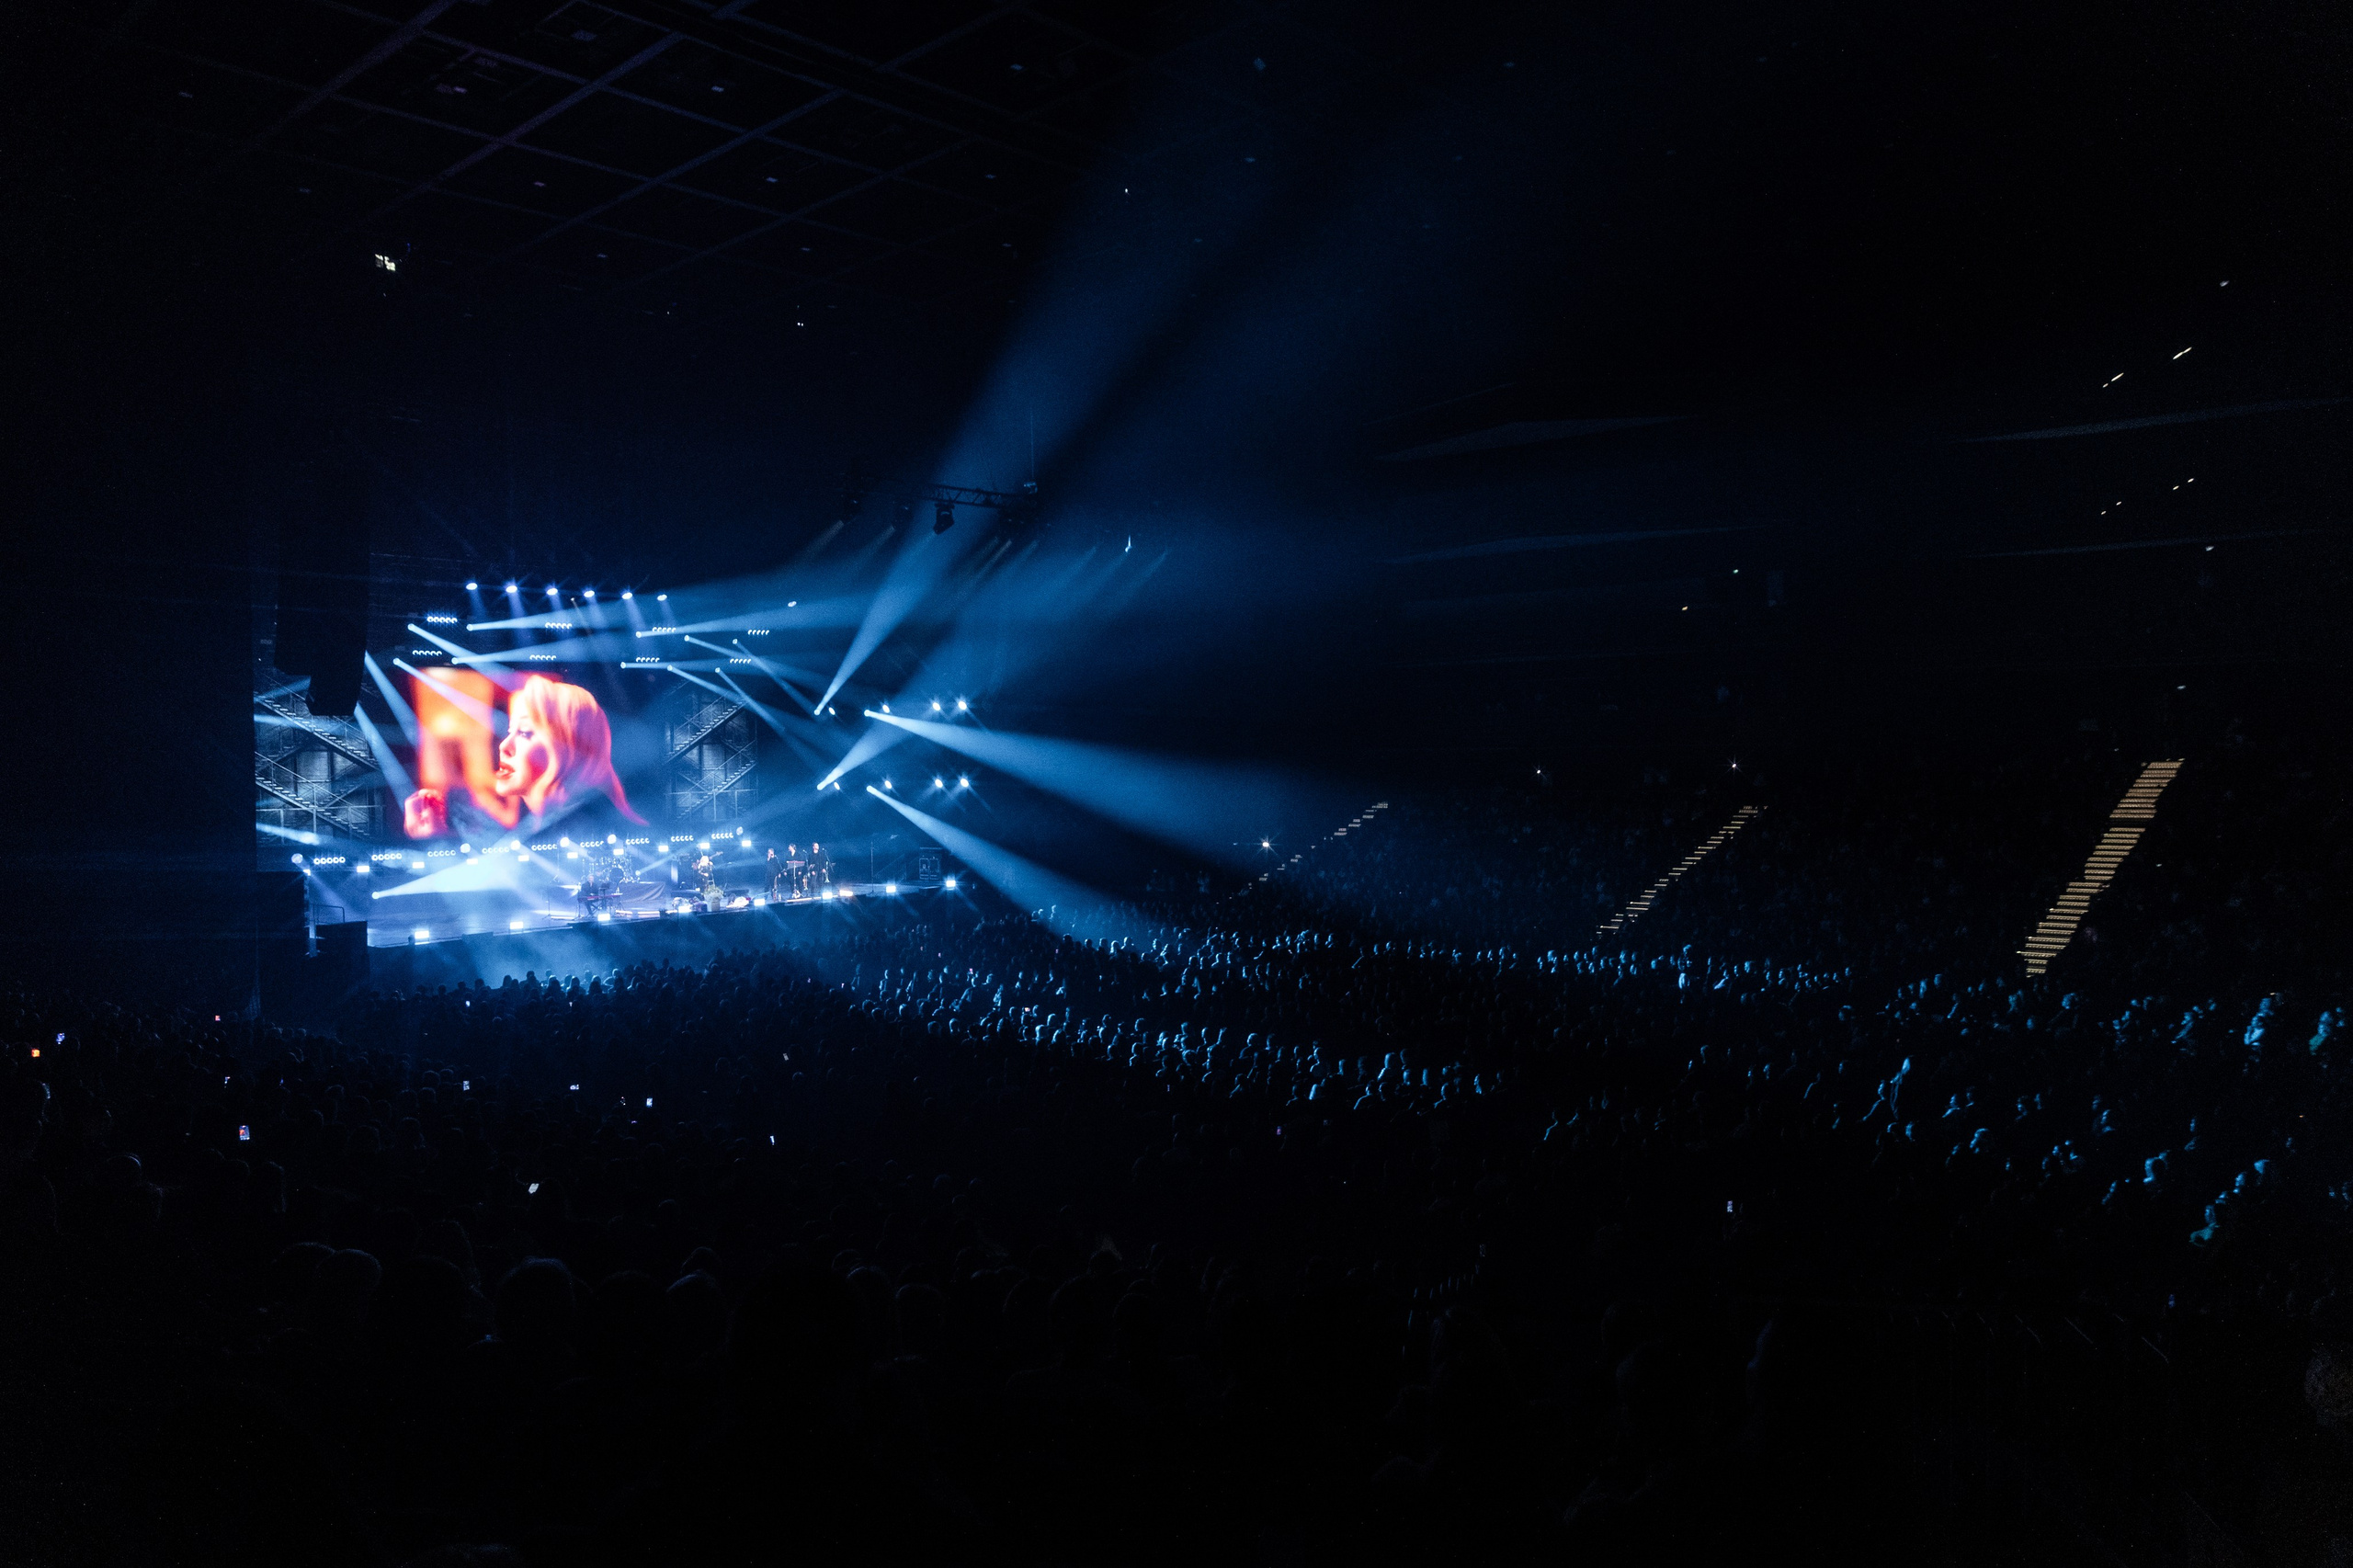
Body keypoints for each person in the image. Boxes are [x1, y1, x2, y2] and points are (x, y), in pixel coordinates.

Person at [404, 676, 643, 839]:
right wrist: (430, 835)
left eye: (525, 732)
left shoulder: (595, 825)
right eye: (509, 732)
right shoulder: (535, 825)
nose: (505, 746)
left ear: (572, 747)